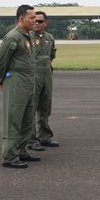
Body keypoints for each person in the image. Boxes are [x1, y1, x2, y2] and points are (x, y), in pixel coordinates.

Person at [0, 5, 41, 168]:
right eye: (32, 17)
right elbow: (1, 61)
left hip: (28, 83)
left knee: (27, 120)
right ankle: (9, 156)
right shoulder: (13, 37)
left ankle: (21, 151)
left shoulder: (27, 36)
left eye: (35, 17)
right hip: (16, 83)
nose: (35, 20)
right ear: (21, 19)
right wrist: (3, 78)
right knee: (13, 120)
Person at [28, 11, 59, 151]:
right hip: (32, 75)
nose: (36, 23)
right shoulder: (27, 37)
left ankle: (44, 136)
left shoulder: (49, 38)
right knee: (31, 107)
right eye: (34, 20)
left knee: (45, 107)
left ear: (45, 23)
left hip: (47, 74)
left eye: (40, 21)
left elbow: (51, 55)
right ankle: (30, 140)